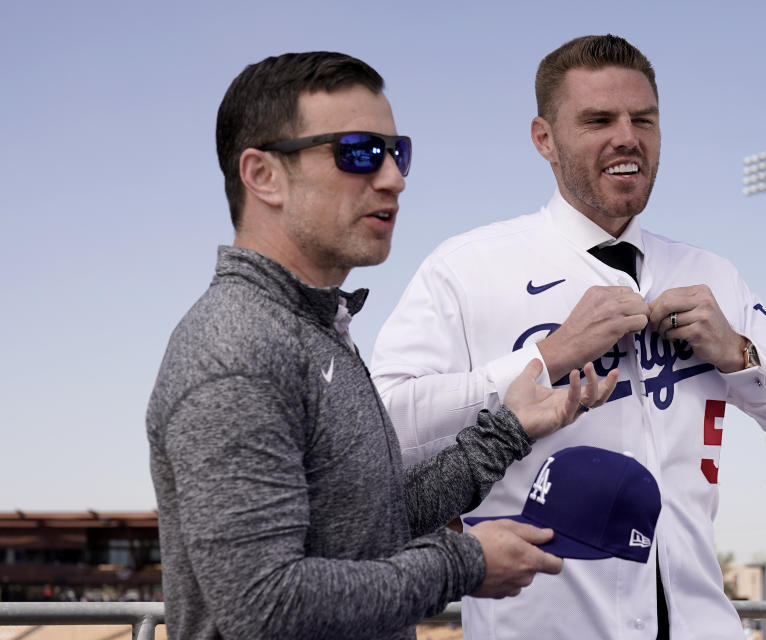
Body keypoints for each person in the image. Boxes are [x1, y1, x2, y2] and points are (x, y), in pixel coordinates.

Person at [370, 34, 766, 639]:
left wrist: (738, 354)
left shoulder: (710, 274)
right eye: (598, 119)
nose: (627, 137)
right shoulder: (467, 267)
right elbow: (380, 431)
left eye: (643, 120)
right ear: (544, 139)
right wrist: (547, 358)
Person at [146, 51, 618, 640]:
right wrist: (465, 562)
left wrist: (511, 429)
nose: (393, 176)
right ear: (262, 175)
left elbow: (373, 523)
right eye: (359, 152)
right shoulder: (236, 350)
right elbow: (263, 604)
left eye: (399, 153)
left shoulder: (315, 331)